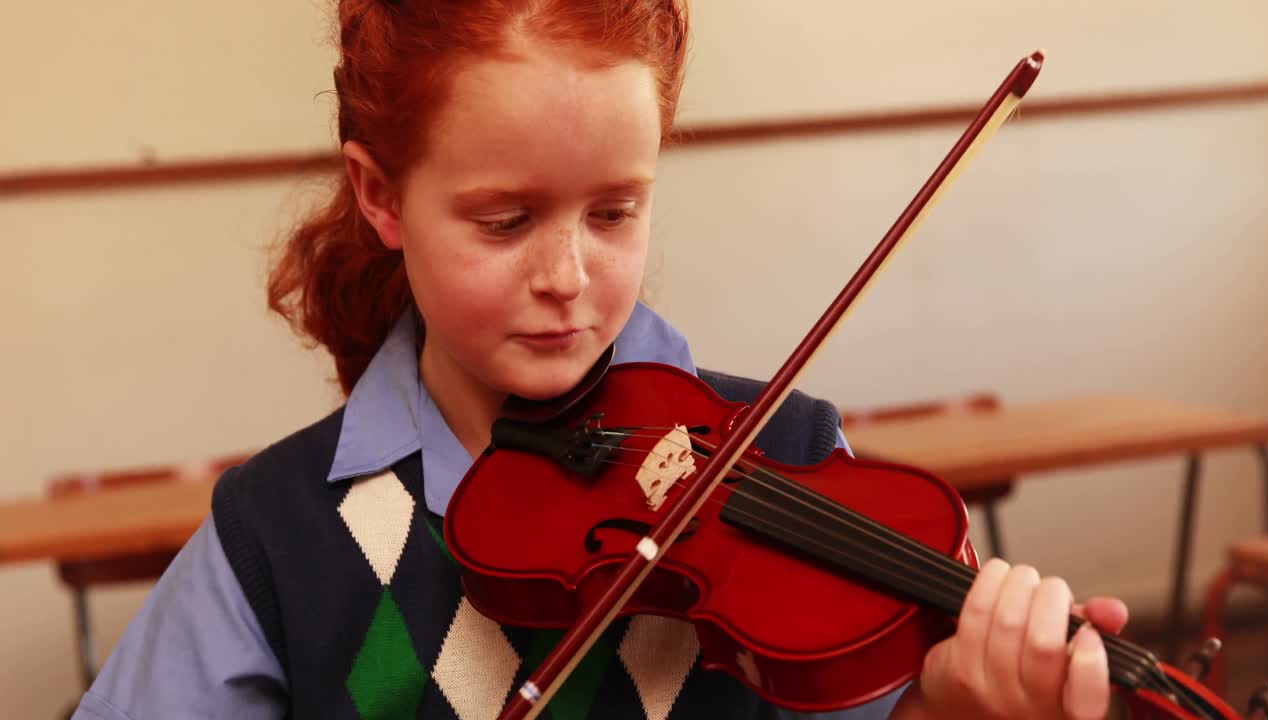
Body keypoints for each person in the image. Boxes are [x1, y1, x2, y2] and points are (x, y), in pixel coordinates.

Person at [73, 1, 1128, 718]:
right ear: (380, 195)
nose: (567, 275)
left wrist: (952, 707)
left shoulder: (789, 451)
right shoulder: (279, 533)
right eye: (503, 220)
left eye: (614, 211)